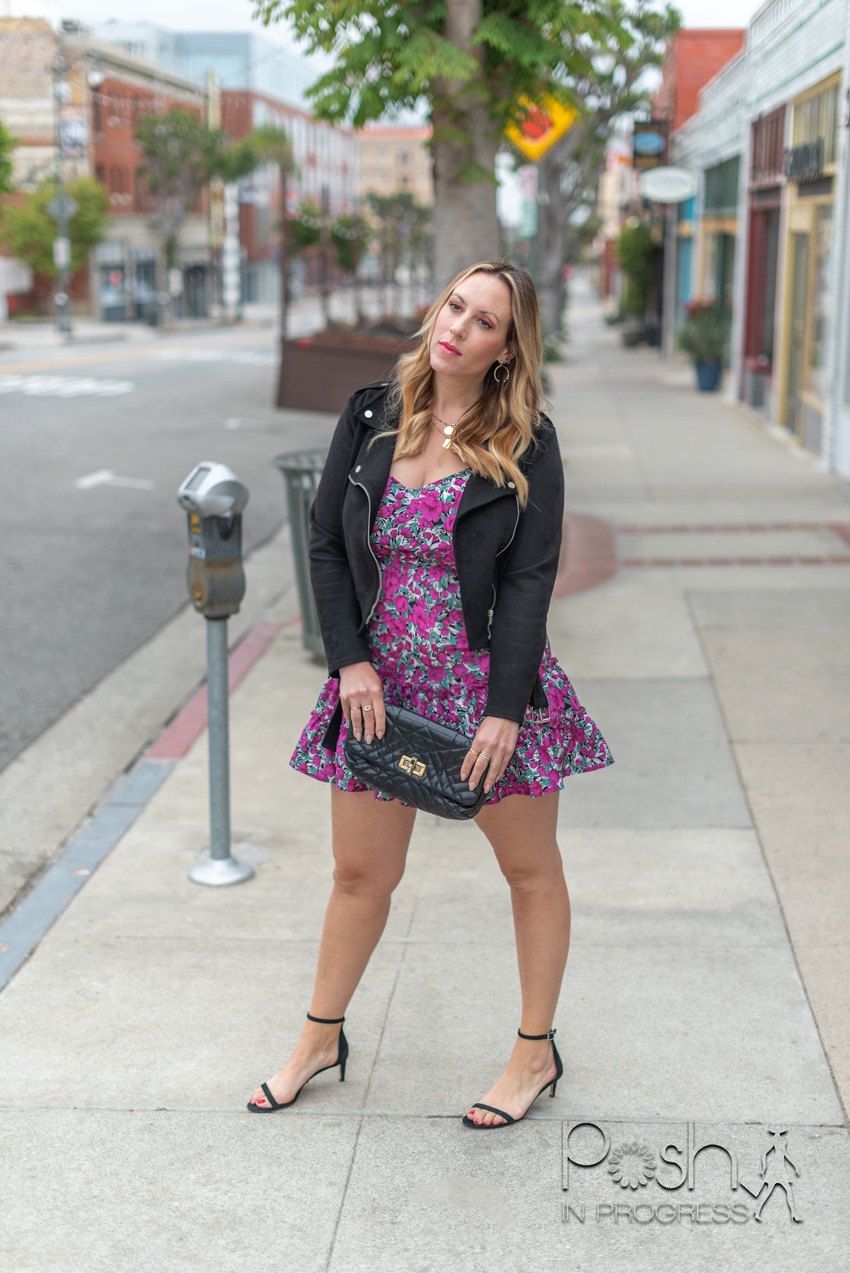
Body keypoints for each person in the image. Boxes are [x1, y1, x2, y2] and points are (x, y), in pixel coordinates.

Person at [247, 259, 613, 1127]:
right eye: (456, 305)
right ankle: (320, 1037)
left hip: (486, 687)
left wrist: (505, 710)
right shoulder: (372, 414)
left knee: (529, 872)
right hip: (379, 687)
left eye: (486, 321)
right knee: (358, 874)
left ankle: (533, 1054)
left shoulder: (529, 440)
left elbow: (529, 580)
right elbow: (327, 544)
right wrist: (350, 661)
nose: (460, 326)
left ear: (506, 348)